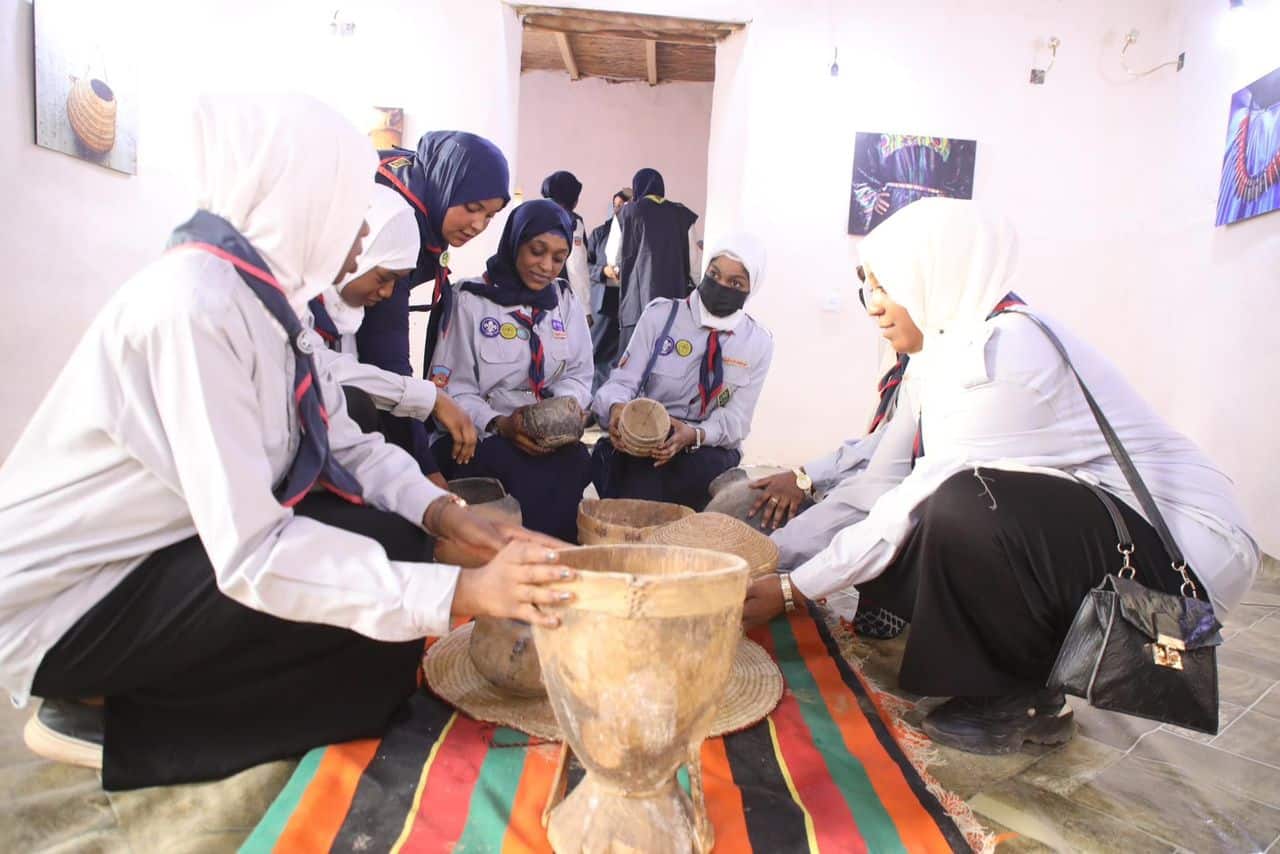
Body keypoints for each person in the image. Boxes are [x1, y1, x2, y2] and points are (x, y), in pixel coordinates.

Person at [0, 93, 572, 790]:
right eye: (346, 202)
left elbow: (348, 444)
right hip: (73, 604)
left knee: (394, 555)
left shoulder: (265, 306)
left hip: (158, 554)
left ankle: (185, 689)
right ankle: (112, 713)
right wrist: (465, 590)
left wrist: (446, 517)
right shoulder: (193, 309)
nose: (361, 233)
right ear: (296, 198)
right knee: (369, 619)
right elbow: (252, 554)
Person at [743, 198, 1260, 755]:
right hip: (1117, 524)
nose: (872, 306)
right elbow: (881, 480)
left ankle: (1022, 696)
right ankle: (1000, 667)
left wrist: (793, 589)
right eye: (867, 286)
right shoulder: (948, 353)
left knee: (965, 505)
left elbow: (914, 499)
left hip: (1186, 548)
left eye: (886, 285)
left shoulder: (1002, 357)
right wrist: (782, 555)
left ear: (936, 277)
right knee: (930, 521)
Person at [428, 200, 594, 542]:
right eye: (537, 251)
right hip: (485, 434)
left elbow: (578, 373)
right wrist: (501, 423)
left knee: (575, 460)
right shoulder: (470, 300)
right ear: (515, 241)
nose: (547, 266)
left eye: (559, 258)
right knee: (513, 468)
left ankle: (555, 563)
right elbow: (448, 387)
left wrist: (556, 414)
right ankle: (509, 568)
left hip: (546, 436)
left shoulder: (564, 300)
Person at [355, 131, 511, 480]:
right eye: (472, 208)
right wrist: (427, 475)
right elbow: (385, 357)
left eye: (490, 216)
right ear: (445, 183)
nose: (478, 225)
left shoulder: (423, 205)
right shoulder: (397, 221)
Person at [307, 184, 477, 482]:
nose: (387, 293)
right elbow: (323, 372)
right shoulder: (289, 304)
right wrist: (432, 399)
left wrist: (424, 497)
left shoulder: (341, 320)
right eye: (384, 278)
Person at [592, 232, 773, 511]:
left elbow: (736, 420)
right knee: (639, 485)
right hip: (649, 438)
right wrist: (617, 409)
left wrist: (693, 434)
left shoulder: (757, 343)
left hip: (705, 448)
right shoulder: (661, 316)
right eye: (714, 274)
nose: (720, 285)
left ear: (752, 288)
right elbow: (622, 382)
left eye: (735, 282)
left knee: (707, 495)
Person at [604, 168, 699, 360]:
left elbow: (612, 258)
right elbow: (695, 266)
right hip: (674, 304)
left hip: (636, 303)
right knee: (668, 359)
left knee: (633, 363)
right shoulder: (682, 214)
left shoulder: (627, 213)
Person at [586, 188, 632, 391]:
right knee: (594, 351)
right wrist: (603, 270)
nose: (618, 210)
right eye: (616, 206)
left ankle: (604, 401)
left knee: (618, 357)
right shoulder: (600, 233)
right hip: (603, 299)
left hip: (627, 301)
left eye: (623, 206)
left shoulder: (638, 232)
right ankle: (586, 400)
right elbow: (584, 266)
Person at [541, 170, 592, 320]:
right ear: (573, 199)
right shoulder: (572, 221)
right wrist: (585, 309)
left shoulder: (532, 212)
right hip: (556, 298)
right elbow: (576, 266)